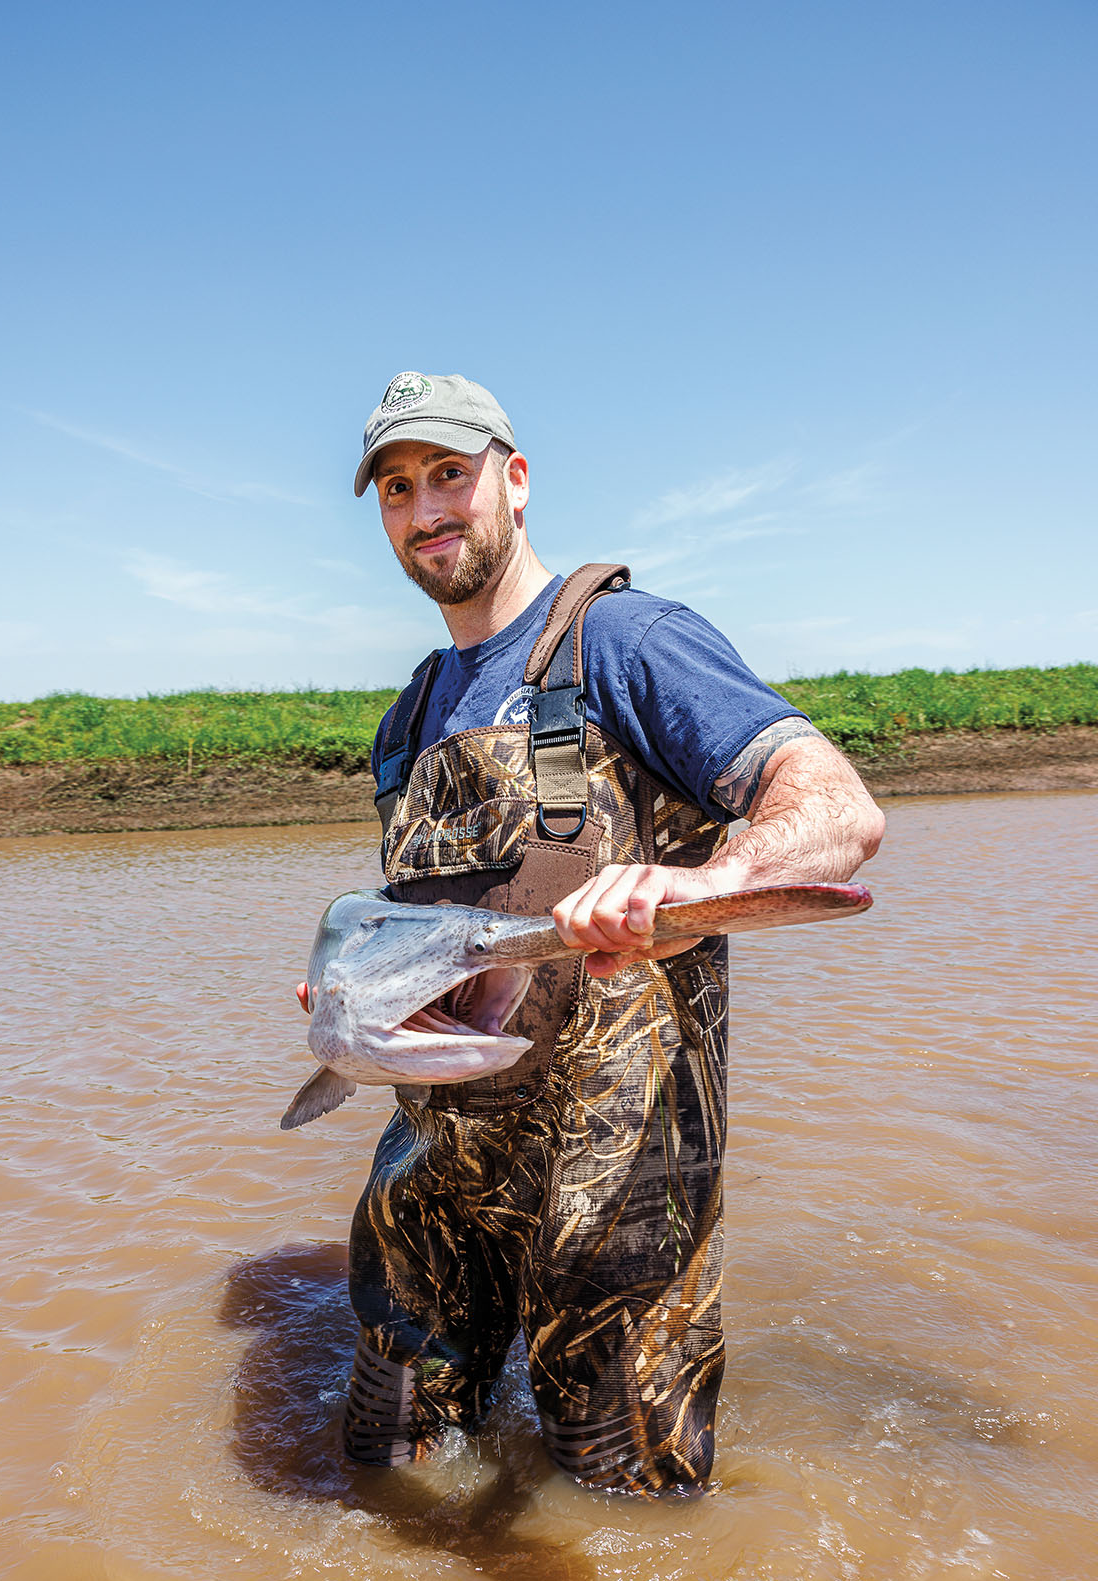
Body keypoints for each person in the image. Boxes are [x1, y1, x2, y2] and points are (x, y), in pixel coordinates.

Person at [310, 371, 884, 1498]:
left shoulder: (627, 641)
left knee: (629, 1530)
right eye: (395, 487)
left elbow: (837, 808)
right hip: (432, 1179)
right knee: (383, 1478)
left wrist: (701, 880)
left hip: (618, 1187)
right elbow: (416, 932)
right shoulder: (408, 717)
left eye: (449, 474)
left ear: (513, 481)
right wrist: (352, 1017)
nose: (425, 509)